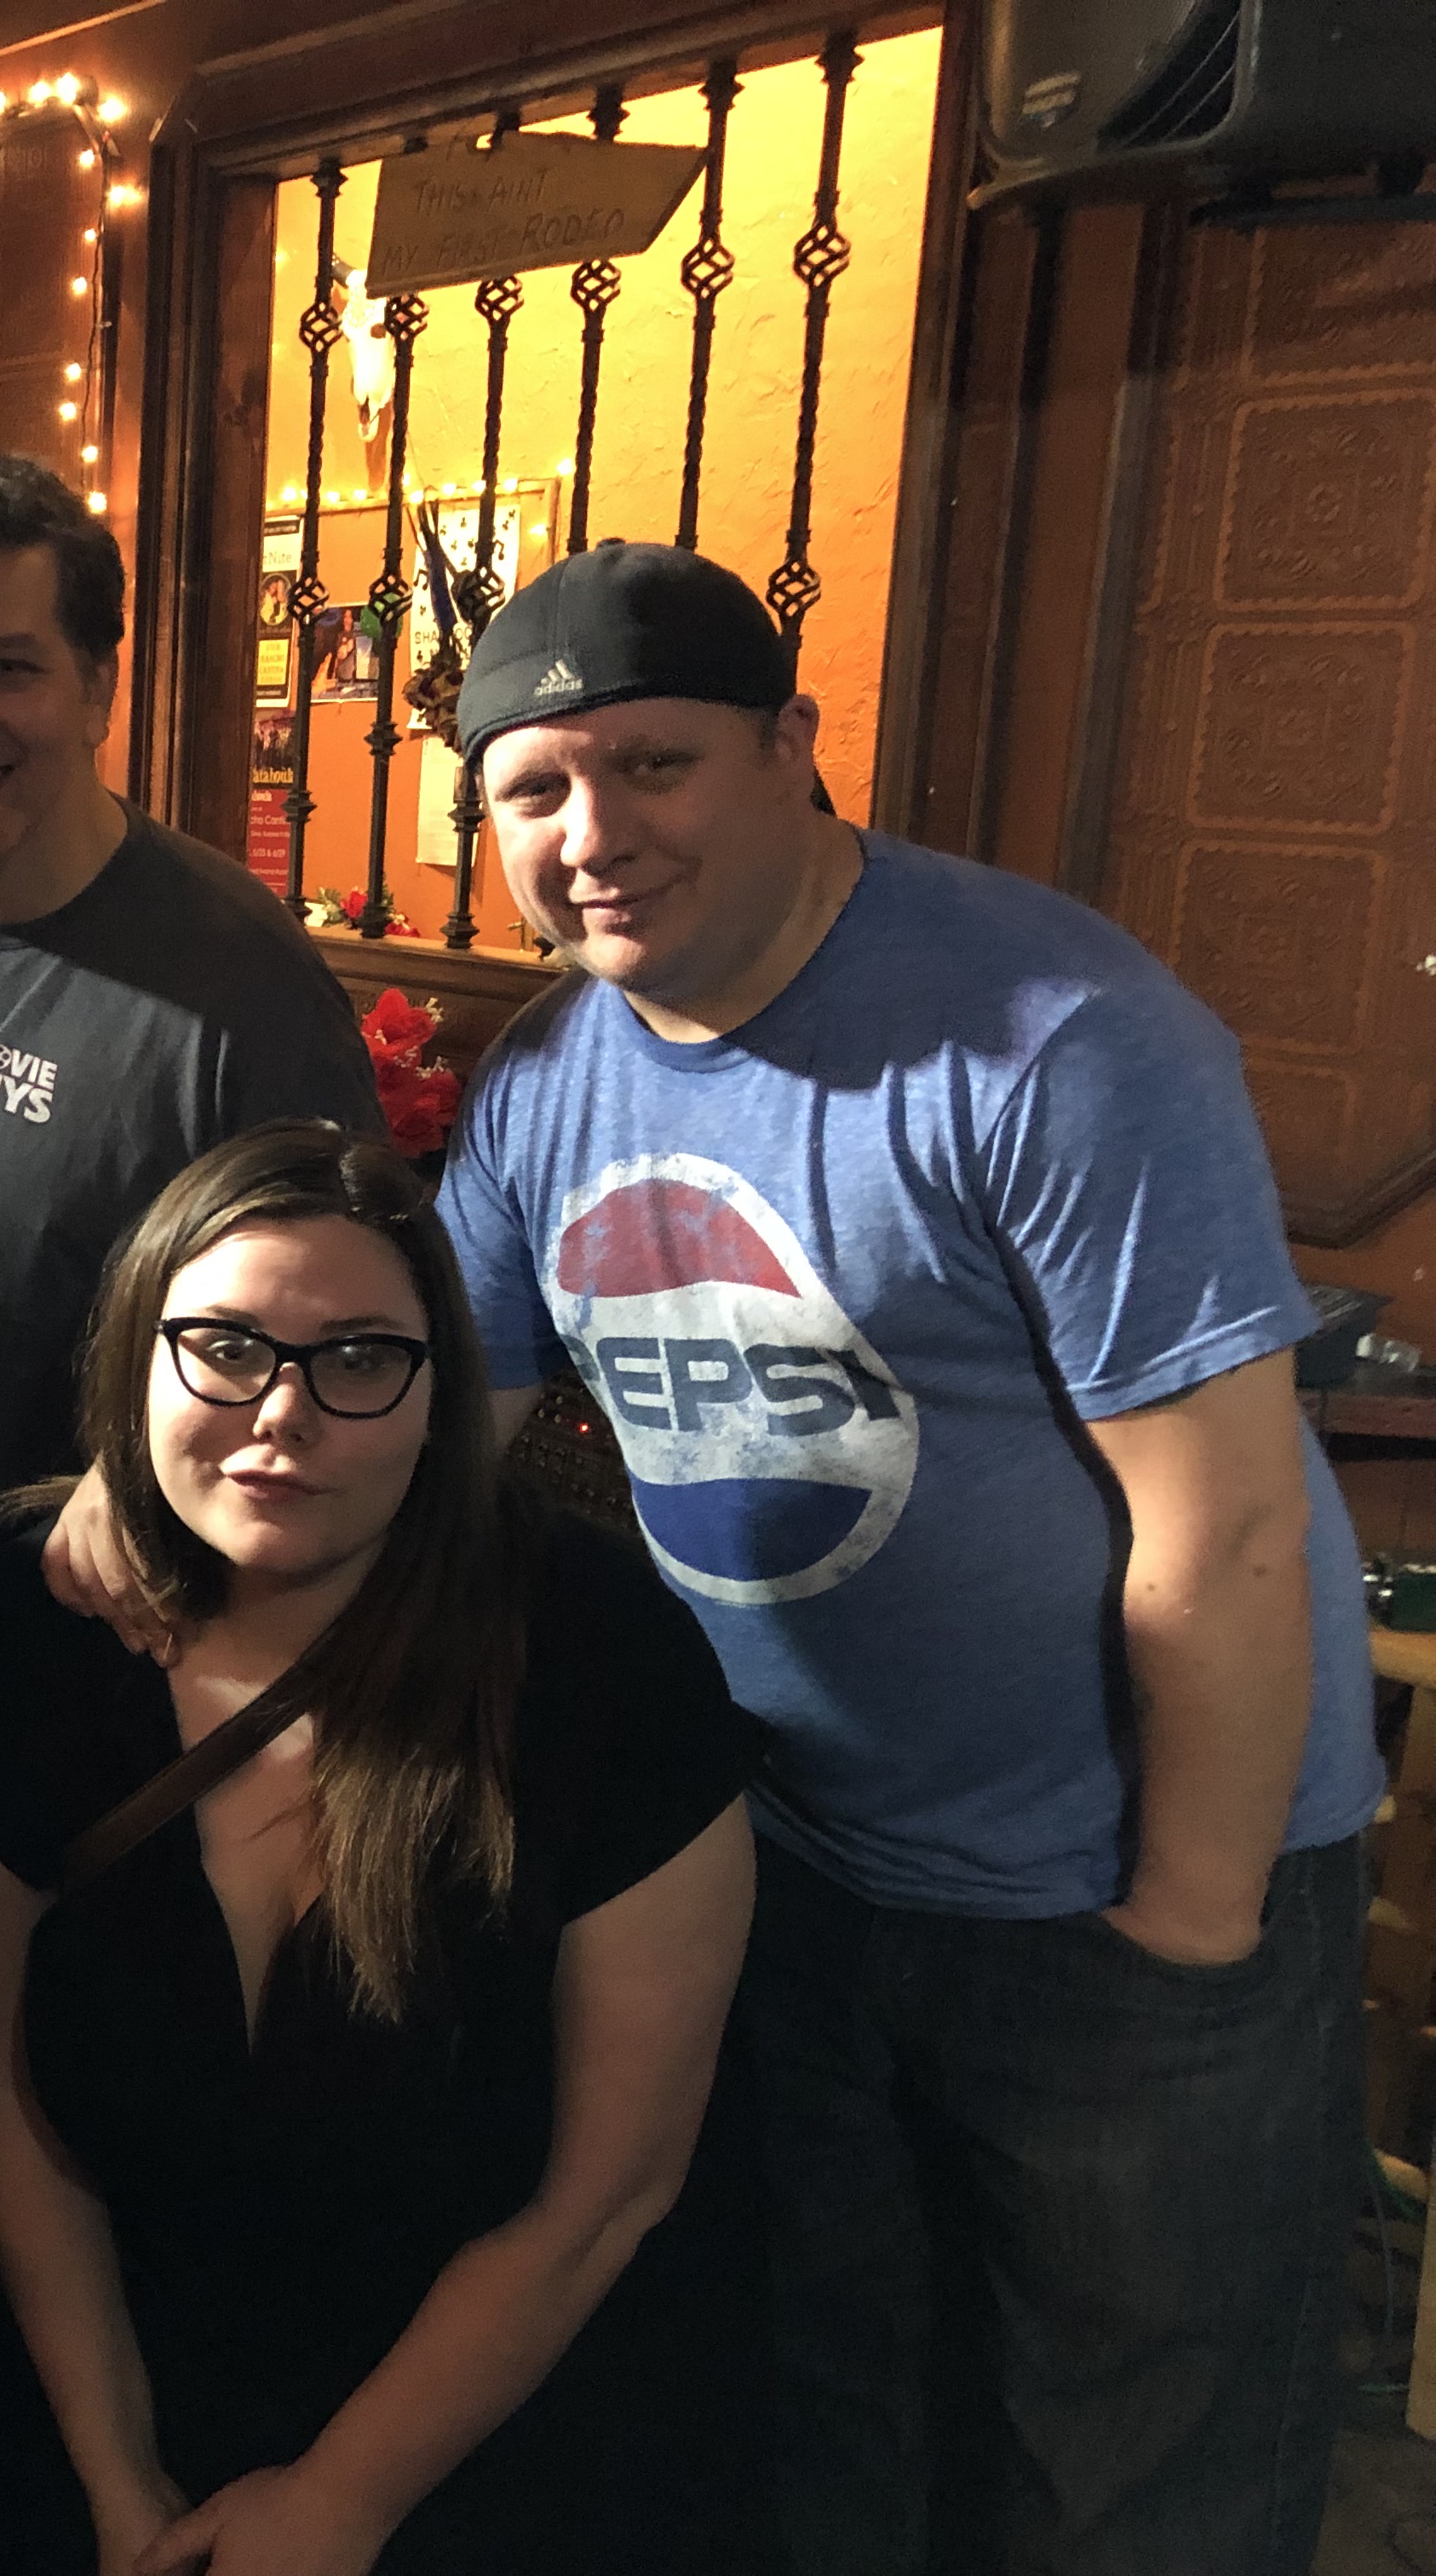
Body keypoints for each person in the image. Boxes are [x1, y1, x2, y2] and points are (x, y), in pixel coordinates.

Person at [418, 543, 1383, 2575]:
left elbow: (1226, 1524)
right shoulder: (545, 1083)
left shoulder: (1056, 1034)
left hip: (1114, 1885)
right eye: (535, 790)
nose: (594, 835)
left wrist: (1189, 1921)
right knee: (844, 2416)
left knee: (1135, 2472)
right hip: (797, 1867)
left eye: (655, 766)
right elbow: (431, 1455)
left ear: (793, 748)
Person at [0, 1118, 768, 2576]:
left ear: (443, 1398)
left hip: (490, 2439)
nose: (283, 1412)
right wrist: (120, 2488)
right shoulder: (35, 1633)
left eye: (361, 1358)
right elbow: (9, 2114)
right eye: (225, 1347)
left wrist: (339, 2504)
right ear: (136, 1360)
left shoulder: (599, 1658)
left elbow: (605, 2194)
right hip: (93, 2407)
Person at [0, 443, 381, 2567]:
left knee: (2, 2198)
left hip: (30, 1697)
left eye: (9, 666)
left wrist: (134, 1495)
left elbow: (320, 1335)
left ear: (103, 681)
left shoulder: (230, 984)